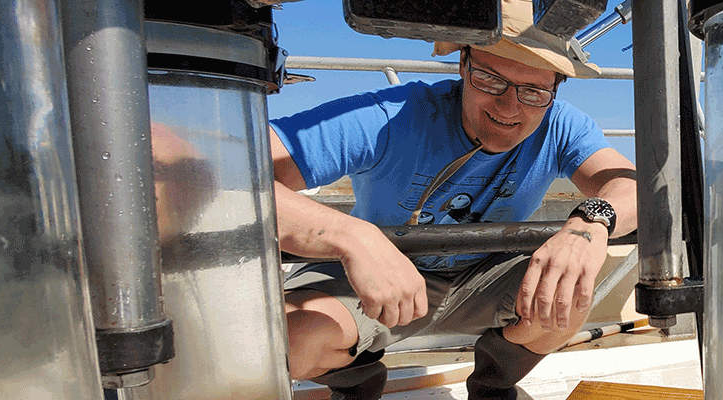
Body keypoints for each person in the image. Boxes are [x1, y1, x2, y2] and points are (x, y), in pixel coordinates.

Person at [270, 0, 637, 398]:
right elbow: (232, 175)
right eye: (490, 79)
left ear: (555, 89)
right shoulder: (390, 117)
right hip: (380, 273)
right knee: (289, 340)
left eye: (533, 91)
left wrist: (590, 223)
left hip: (486, 276)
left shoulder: (561, 126)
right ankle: (356, 380)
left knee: (568, 290)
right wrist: (350, 237)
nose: (509, 106)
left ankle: (493, 387)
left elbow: (632, 187)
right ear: (463, 64)